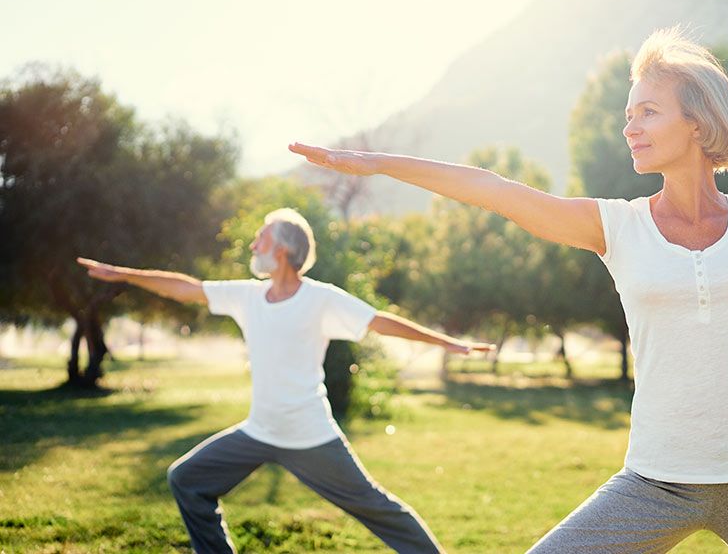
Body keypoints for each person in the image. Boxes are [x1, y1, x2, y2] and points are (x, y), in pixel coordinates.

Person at [288, 27, 728, 553]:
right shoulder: (617, 227)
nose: (629, 126)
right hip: (658, 479)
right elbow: (495, 190)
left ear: (697, 120)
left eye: (648, 111)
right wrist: (379, 162)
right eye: (627, 113)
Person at [78, 207, 493, 554]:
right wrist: (123, 274)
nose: (253, 245)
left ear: (282, 250)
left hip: (309, 435)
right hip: (259, 430)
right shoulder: (248, 295)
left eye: (261, 238)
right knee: (186, 479)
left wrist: (449, 343)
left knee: (377, 508)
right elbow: (187, 289)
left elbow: (379, 322)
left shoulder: (320, 298)